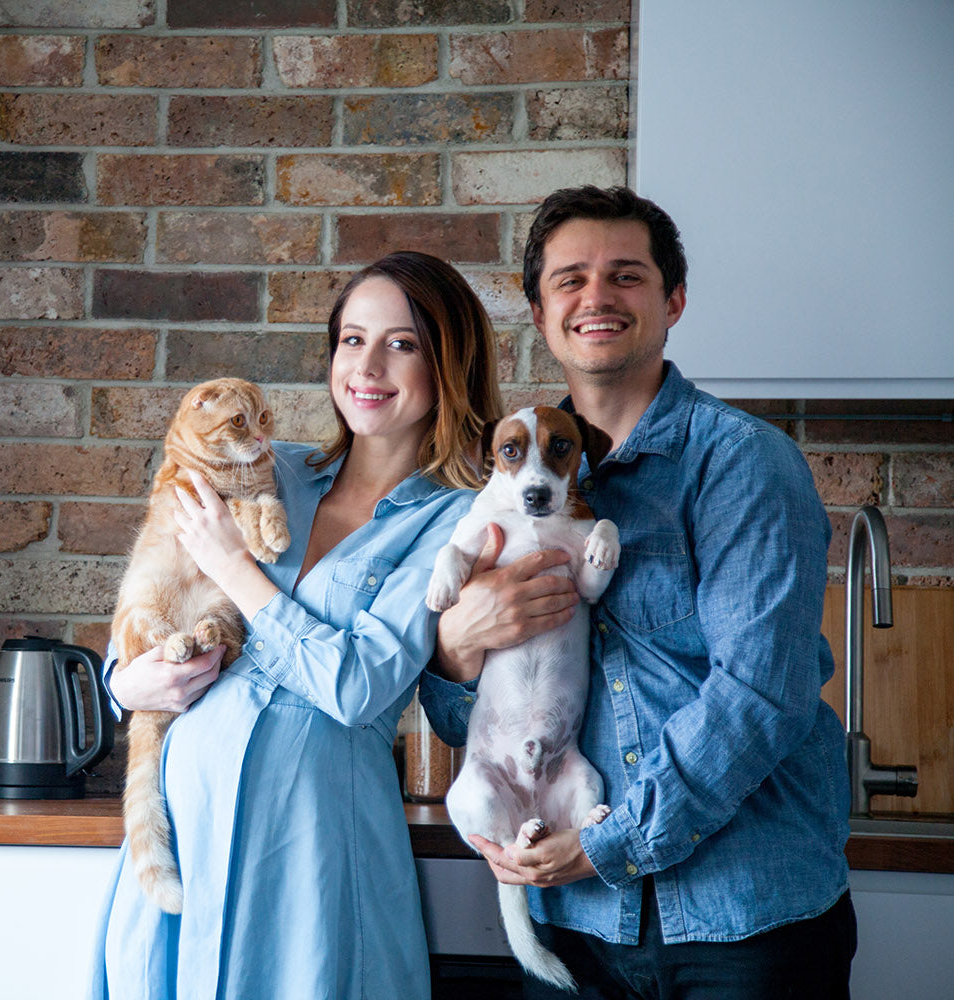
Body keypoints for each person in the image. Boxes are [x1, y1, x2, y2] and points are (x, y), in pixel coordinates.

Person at [420, 185, 856, 998]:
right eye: (570, 279)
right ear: (541, 311)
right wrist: (454, 648)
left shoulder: (742, 464)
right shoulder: (507, 494)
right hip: (576, 918)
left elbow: (761, 694)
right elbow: (464, 717)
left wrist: (612, 840)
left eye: (626, 276)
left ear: (674, 300)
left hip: (741, 918)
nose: (597, 297)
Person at [89, 251, 504, 1000]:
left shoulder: (457, 521)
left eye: (402, 343)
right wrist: (127, 681)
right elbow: (150, 588)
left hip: (314, 847)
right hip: (188, 828)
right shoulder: (266, 470)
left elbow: (355, 687)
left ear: (451, 362)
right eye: (352, 338)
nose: (368, 366)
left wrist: (236, 570)